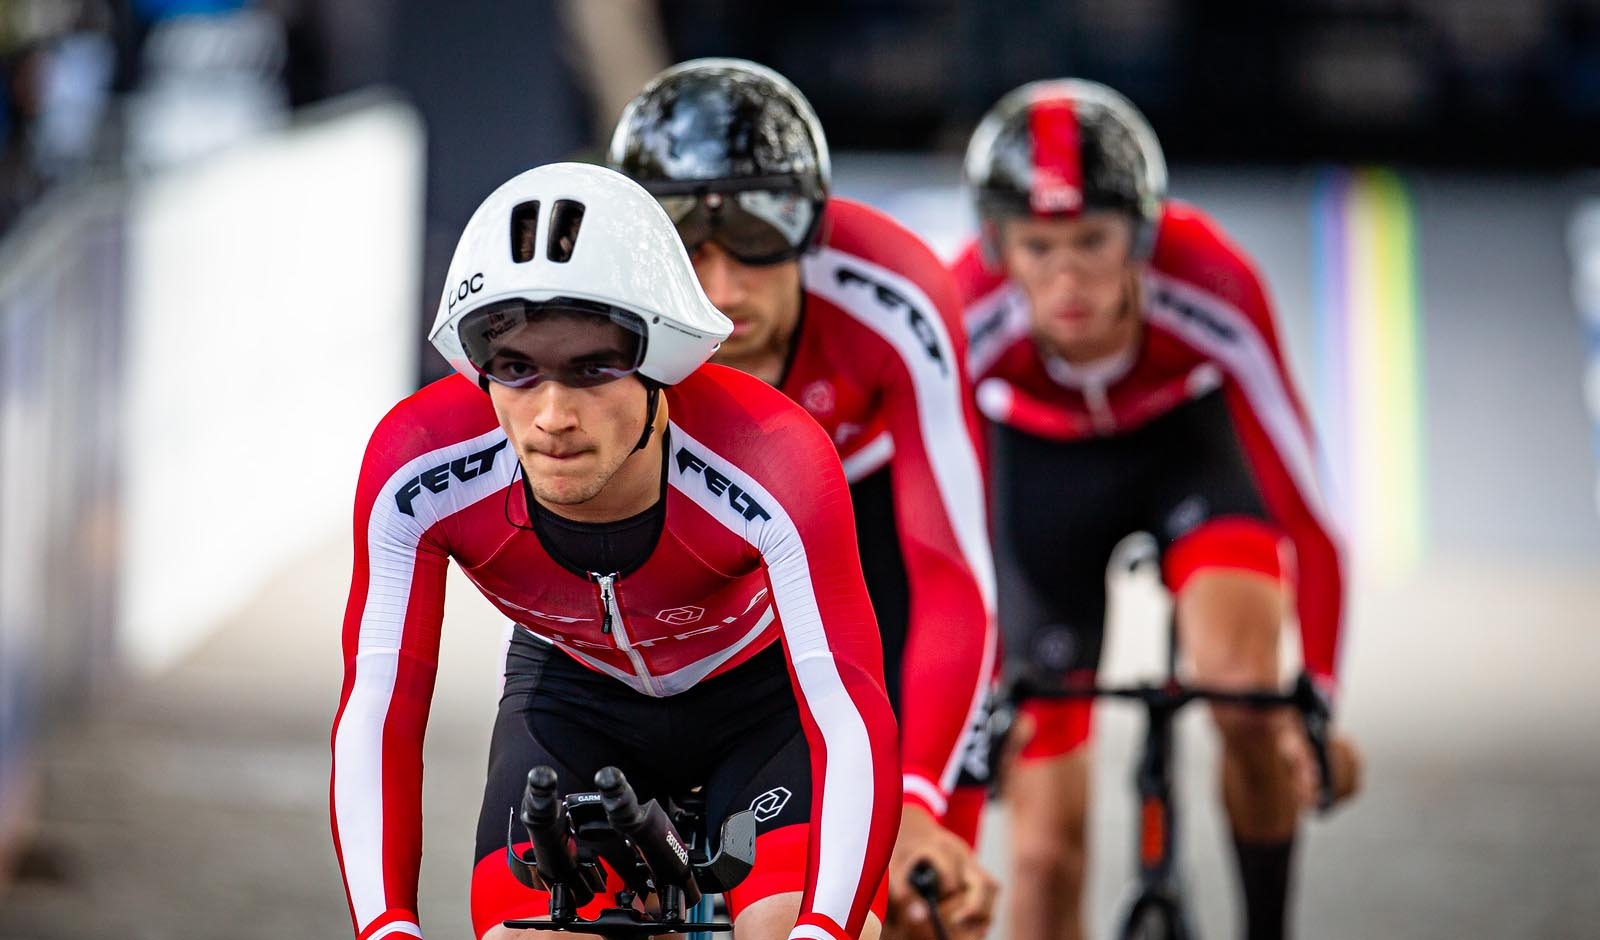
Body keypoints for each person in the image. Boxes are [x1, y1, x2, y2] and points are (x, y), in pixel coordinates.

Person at [330, 162, 901, 940]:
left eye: (594, 367)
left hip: (761, 712)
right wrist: (385, 928)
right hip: (572, 706)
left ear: (662, 362)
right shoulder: (417, 464)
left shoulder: (773, 457)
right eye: (516, 368)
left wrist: (826, 928)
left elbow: (847, 708)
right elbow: (379, 708)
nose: (553, 415)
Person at [950, 80, 1363, 940]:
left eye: (1093, 241)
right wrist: (984, 685)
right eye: (1038, 246)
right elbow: (942, 520)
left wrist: (1314, 699)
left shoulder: (1211, 275)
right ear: (998, 246)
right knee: (1041, 855)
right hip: (1043, 477)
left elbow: (1308, 511)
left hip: (1188, 456)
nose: (1066, 278)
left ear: (1141, 236)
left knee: (1248, 699)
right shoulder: (965, 307)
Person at [609, 58, 1000, 940]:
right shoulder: (605, 313)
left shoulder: (896, 297)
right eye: (688, 250)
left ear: (812, 228)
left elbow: (952, 574)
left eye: (759, 237)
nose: (725, 288)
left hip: (865, 545)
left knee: (917, 895)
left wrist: (919, 799)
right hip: (689, 553)